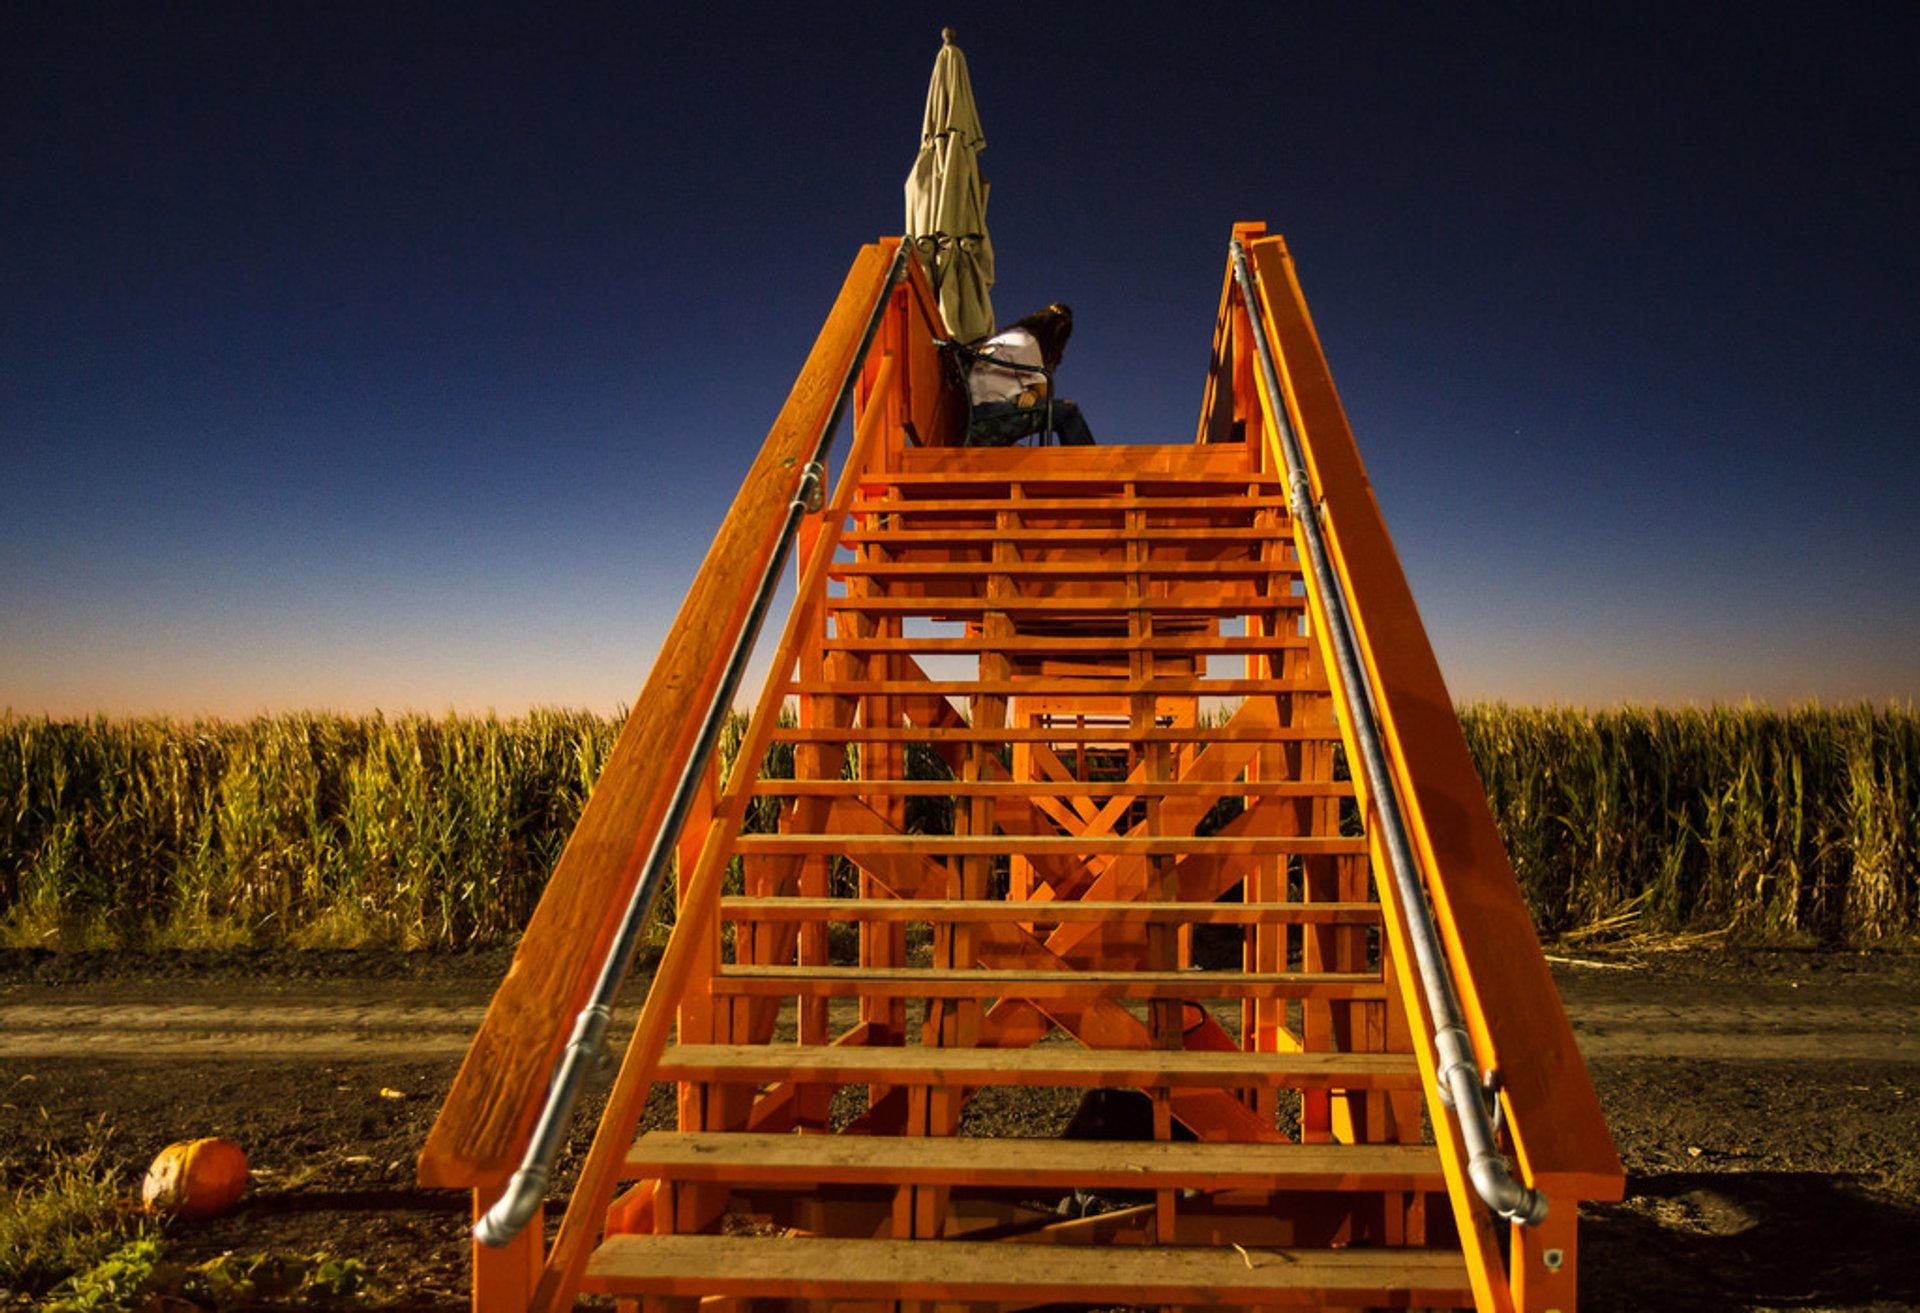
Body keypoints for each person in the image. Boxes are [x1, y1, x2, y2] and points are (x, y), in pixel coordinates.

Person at [964, 303, 1095, 446]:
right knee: (1068, 410)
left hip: (970, 419)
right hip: (989, 420)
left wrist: (1030, 393)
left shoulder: (1006, 337)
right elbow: (1044, 391)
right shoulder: (1027, 341)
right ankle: (1095, 467)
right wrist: (1034, 393)